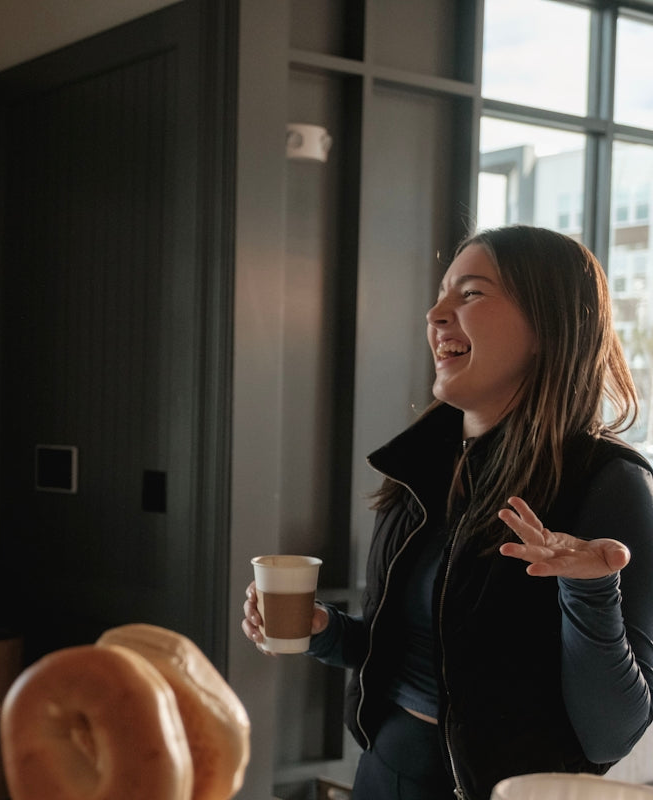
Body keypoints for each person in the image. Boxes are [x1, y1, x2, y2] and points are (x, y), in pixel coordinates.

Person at [242, 225, 653, 800]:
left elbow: (611, 733)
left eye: (471, 293)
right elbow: (434, 657)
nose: (435, 314)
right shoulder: (425, 465)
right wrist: (324, 633)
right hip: (386, 772)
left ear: (548, 325)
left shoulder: (608, 483)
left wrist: (590, 592)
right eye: (441, 294)